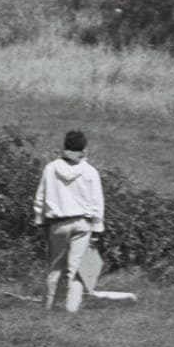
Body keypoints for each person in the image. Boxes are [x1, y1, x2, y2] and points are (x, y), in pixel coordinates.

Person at [33, 130, 105, 313]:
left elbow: (40, 198)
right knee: (75, 269)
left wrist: (40, 221)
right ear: (83, 148)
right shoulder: (90, 171)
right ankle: (70, 310)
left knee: (55, 267)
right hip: (82, 223)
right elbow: (97, 201)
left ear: (65, 145)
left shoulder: (51, 168)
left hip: (57, 223)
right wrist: (97, 228)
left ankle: (47, 308)